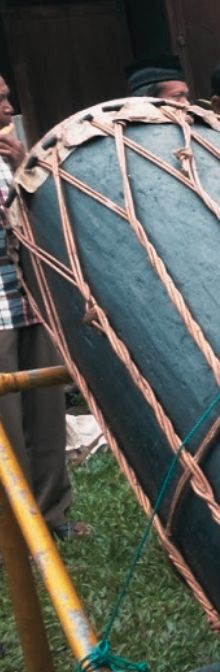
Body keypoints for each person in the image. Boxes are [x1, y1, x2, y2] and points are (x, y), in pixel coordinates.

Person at [0, 75, 81, 540]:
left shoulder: (19, 157)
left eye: (9, 96)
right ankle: (16, 531)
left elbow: (51, 221)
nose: (8, 109)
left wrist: (23, 170)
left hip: (31, 299)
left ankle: (53, 516)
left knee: (46, 413)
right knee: (6, 424)